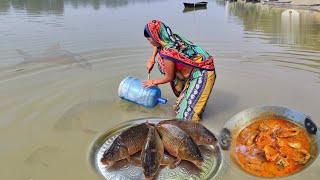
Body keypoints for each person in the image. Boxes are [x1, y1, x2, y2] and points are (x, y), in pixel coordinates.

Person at [142, 20, 216, 122]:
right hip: (196, 69)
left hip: (203, 73)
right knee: (178, 109)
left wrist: (153, 82)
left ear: (156, 37)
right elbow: (156, 44)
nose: (149, 42)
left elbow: (169, 77)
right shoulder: (170, 37)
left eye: (149, 39)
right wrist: (152, 58)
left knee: (186, 117)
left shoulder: (168, 53)